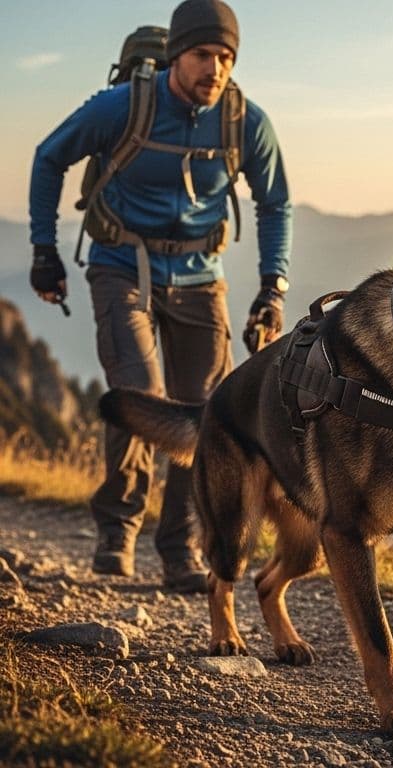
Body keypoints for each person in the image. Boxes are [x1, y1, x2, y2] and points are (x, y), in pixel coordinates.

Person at [27, 0, 291, 594]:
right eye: (203, 55)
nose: (215, 69)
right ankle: (117, 529)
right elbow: (50, 156)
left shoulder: (244, 122)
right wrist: (44, 249)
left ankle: (178, 550)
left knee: (204, 416)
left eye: (226, 57)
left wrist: (271, 287)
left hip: (201, 277)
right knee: (142, 396)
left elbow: (275, 202)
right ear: (176, 55)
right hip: (122, 267)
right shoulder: (126, 105)